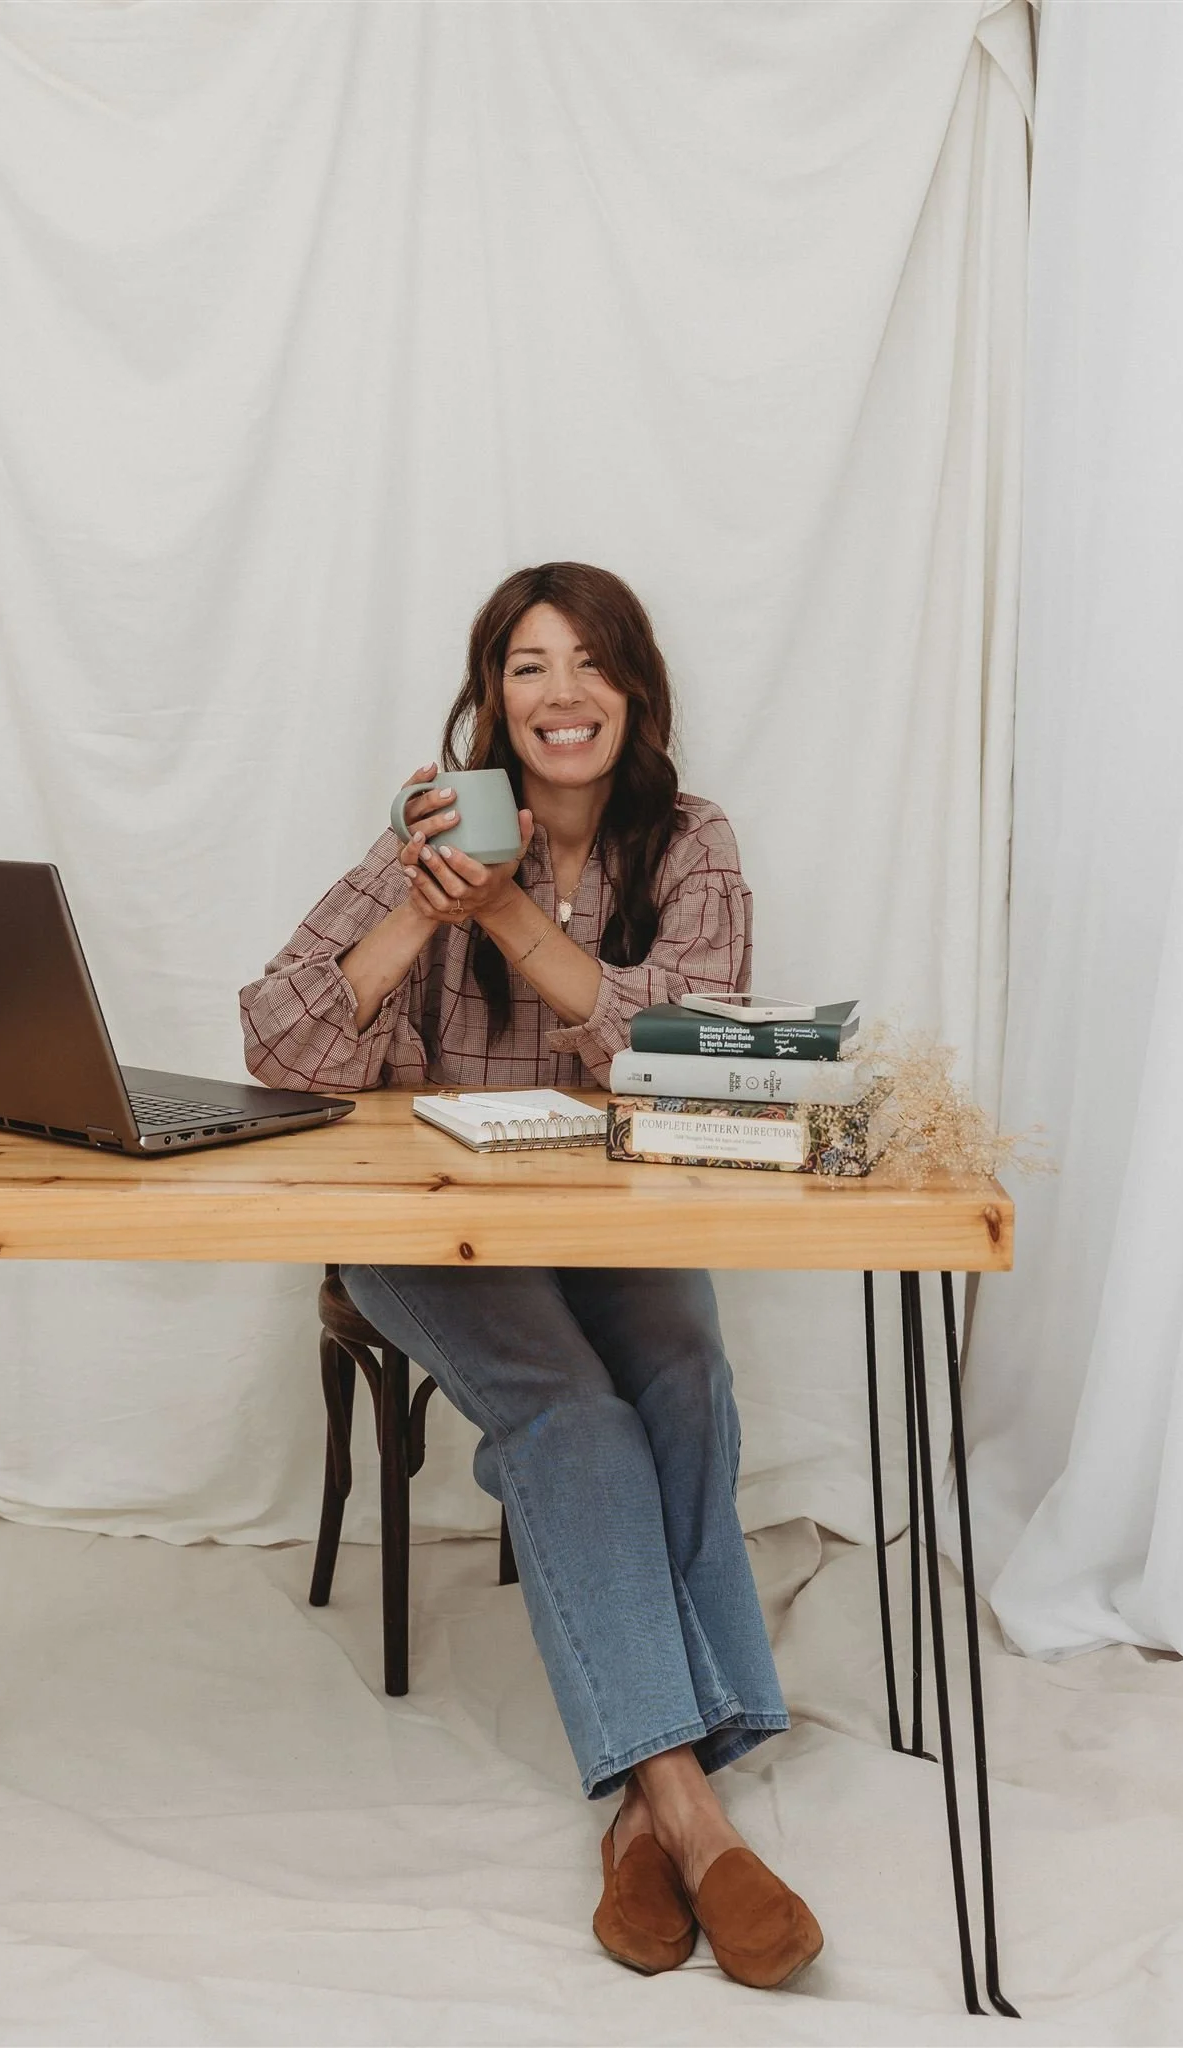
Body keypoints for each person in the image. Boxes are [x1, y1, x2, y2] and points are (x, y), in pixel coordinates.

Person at [239, 562, 822, 1988]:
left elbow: (683, 1044)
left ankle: (640, 1810)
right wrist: (428, 908)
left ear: (635, 692)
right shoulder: (433, 831)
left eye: (588, 666)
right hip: (427, 1224)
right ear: (489, 699)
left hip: (608, 1211)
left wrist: (510, 923)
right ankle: (694, 1811)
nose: (560, 696)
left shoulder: (691, 842)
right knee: (575, 1411)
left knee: (681, 1370)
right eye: (526, 668)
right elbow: (280, 1044)